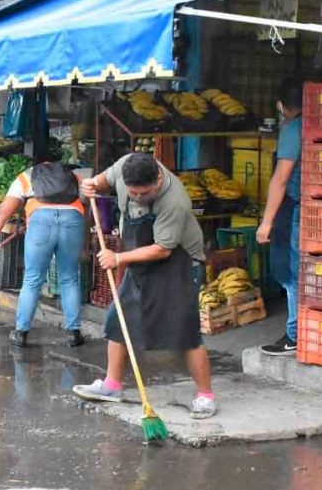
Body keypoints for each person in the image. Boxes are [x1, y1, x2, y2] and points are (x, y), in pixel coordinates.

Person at [71, 153, 216, 420]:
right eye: (132, 192)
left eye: (143, 193)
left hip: (179, 264)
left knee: (185, 331)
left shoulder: (174, 201)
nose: (137, 197)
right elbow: (103, 181)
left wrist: (118, 259)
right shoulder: (126, 166)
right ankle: (112, 385)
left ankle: (205, 396)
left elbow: (162, 249)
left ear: (158, 180)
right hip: (141, 260)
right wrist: (91, 185)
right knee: (118, 320)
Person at [0, 151, 86, 348]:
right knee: (69, 277)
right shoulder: (73, 176)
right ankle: (74, 333)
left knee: (32, 280)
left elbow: (4, 211)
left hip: (41, 225)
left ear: (37, 164)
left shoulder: (27, 176)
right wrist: (86, 241)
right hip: (73, 221)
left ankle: (21, 332)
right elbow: (88, 204)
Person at [257, 83, 303, 356]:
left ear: (281, 105)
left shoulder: (293, 130)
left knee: (290, 271)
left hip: (295, 208)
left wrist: (266, 222)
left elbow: (281, 178)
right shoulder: (317, 125)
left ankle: (293, 333)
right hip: (315, 206)